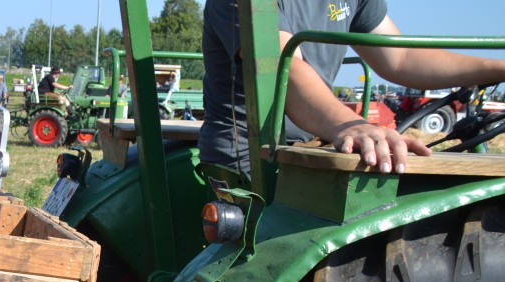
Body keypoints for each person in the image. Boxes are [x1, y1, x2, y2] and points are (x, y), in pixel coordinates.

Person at [200, 0, 505, 174]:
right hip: (249, 158)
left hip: (311, 144)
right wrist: (352, 125)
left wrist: (497, 68)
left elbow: (400, 57)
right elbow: (284, 69)